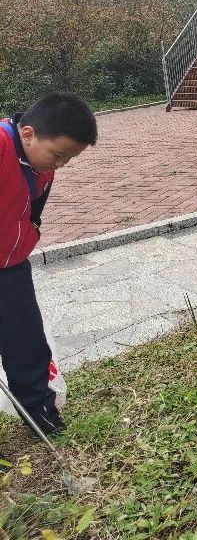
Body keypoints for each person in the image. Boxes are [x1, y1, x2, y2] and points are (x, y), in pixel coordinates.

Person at [0, 93, 98, 436]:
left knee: (26, 341)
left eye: (69, 159)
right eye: (58, 155)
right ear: (28, 134)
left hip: (11, 265)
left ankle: (39, 412)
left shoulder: (40, 165)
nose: (60, 165)